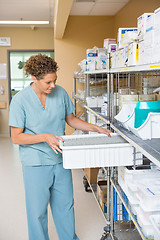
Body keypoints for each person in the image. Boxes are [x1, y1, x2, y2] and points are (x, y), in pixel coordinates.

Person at [9, 54, 111, 240]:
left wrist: (94, 127)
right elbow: (16, 137)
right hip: (35, 162)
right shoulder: (20, 100)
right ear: (34, 78)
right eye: (48, 82)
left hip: (60, 158)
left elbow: (71, 120)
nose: (53, 85)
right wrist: (44, 137)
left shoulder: (61, 93)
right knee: (37, 211)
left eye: (54, 80)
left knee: (65, 206)